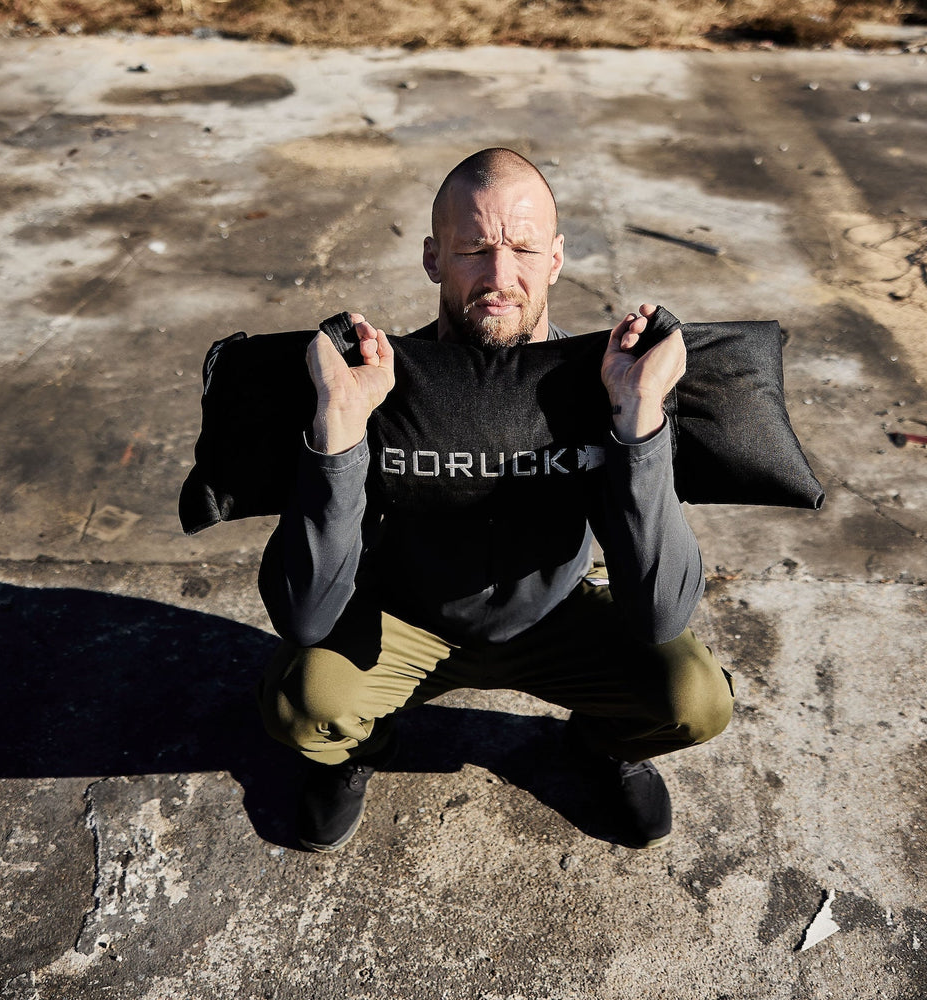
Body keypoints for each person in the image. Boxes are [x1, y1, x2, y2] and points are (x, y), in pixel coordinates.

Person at [256, 147, 734, 852]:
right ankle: (358, 754)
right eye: (474, 249)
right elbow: (303, 615)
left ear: (556, 259)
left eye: (524, 249)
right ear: (433, 258)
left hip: (555, 615)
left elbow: (662, 613)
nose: (500, 276)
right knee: (300, 704)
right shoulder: (381, 387)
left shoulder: (601, 386)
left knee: (695, 700)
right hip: (408, 619)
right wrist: (339, 427)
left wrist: (638, 418)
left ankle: (605, 746)